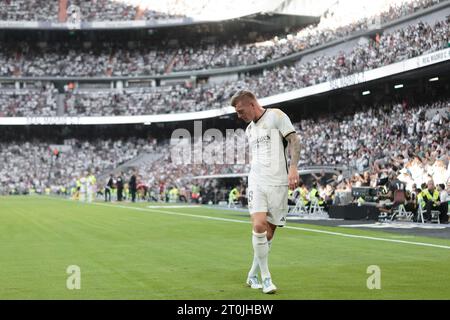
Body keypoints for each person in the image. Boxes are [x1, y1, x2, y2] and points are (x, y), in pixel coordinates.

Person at [231, 90, 300, 294]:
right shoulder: (249, 130)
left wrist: (293, 168)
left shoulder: (277, 116)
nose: (239, 116)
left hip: (278, 182)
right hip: (257, 180)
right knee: (258, 224)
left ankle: (252, 275)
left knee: (268, 234)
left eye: (241, 111)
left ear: (252, 105)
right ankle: (267, 278)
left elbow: (294, 141)